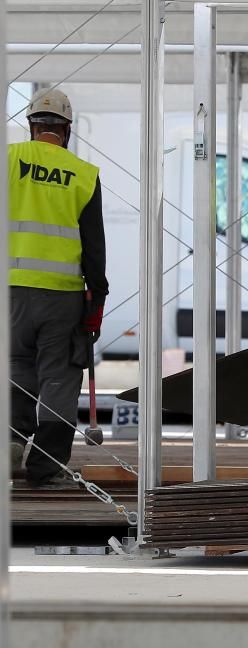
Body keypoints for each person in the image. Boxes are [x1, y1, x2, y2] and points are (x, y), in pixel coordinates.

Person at [7, 87, 108, 487]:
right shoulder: (84, 175)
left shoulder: (7, 160)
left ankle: (9, 449)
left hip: (10, 293)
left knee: (14, 369)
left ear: (32, 126)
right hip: (62, 296)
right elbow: (94, 248)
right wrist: (95, 302)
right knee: (59, 378)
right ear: (66, 130)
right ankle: (46, 466)